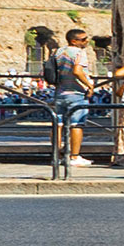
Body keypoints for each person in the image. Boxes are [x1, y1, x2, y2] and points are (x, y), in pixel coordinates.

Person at [45, 27, 96, 167]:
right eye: (83, 39)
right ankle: (74, 156)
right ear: (74, 41)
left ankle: (56, 155)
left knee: (58, 124)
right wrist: (89, 85)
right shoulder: (79, 52)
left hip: (60, 92)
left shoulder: (59, 51)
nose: (87, 41)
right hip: (77, 93)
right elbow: (77, 71)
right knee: (76, 124)